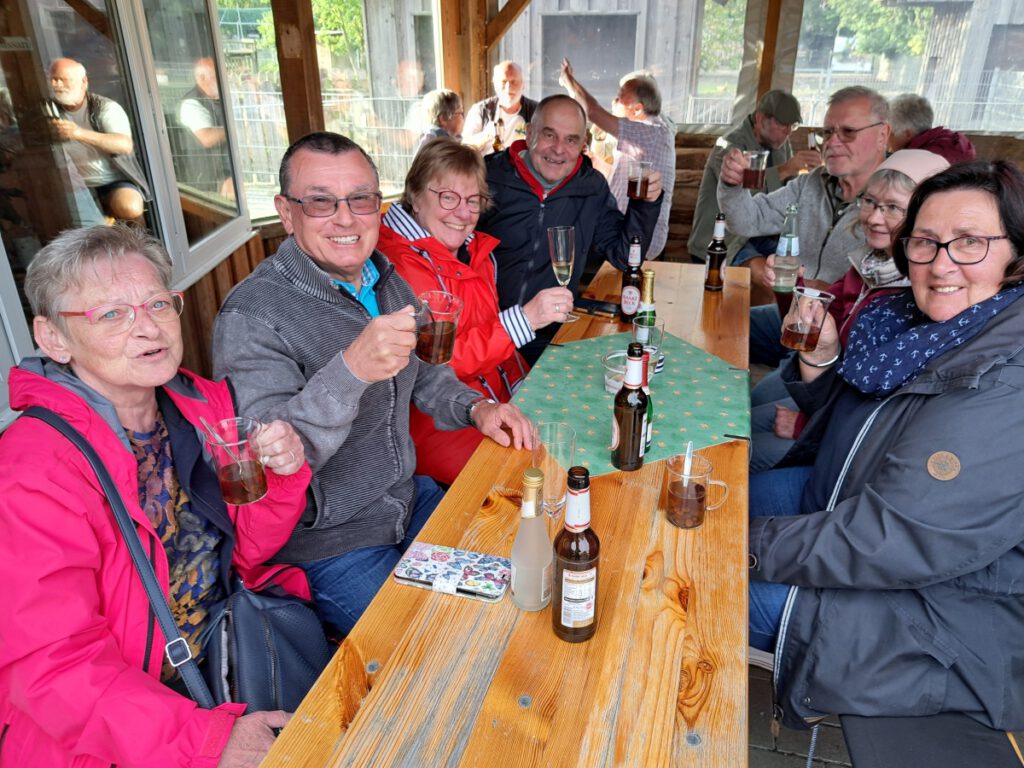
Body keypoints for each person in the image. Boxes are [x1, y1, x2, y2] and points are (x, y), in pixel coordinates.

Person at [0, 225, 312, 766]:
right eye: (111, 315)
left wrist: (280, 476)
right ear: (52, 338)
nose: (148, 328)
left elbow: (247, 554)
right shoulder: (33, 470)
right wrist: (202, 741)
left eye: (158, 304)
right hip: (112, 734)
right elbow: (51, 664)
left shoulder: (197, 408)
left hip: (222, 664)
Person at [212, 132, 534, 635]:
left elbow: (429, 371)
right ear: (286, 212)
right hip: (332, 542)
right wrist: (351, 370)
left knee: (526, 573)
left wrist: (477, 409)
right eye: (321, 201)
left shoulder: (384, 279)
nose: (346, 218)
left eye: (361, 198)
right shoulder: (254, 314)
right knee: (432, 646)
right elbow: (268, 464)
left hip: (408, 500)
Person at [749, 160, 1024, 734]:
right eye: (924, 242)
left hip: (936, 617)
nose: (941, 262)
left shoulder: (1006, 376)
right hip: (850, 513)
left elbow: (891, 540)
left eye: (970, 242)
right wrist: (822, 359)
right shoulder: (915, 323)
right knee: (715, 500)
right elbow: (854, 436)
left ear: (1016, 257)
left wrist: (736, 547)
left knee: (693, 577)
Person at [378, 139, 571, 484]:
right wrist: (524, 321)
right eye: (448, 197)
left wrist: (531, 389)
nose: (463, 214)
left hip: (496, 400)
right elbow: (437, 368)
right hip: (438, 425)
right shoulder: (400, 269)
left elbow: (496, 353)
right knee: (541, 475)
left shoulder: (474, 252)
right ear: (415, 195)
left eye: (473, 201)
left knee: (575, 432)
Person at [749, 149, 950, 471]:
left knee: (740, 451)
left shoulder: (923, 294)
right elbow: (815, 327)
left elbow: (878, 405)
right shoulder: (868, 265)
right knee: (747, 412)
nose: (872, 217)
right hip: (827, 392)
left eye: (892, 208)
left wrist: (804, 425)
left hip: (846, 440)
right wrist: (793, 288)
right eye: (869, 202)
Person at [476, 94, 663, 364]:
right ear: (529, 134)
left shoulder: (592, 187)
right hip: (488, 330)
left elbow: (624, 255)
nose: (559, 149)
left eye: (571, 140)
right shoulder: (487, 175)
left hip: (550, 337)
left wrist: (646, 205)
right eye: (549, 135)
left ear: (583, 145)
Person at [718, 86, 890, 365]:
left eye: (848, 132)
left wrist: (823, 290)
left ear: (883, 134)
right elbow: (747, 221)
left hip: (840, 344)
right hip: (795, 319)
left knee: (764, 406)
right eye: (827, 132)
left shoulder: (894, 203)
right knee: (720, 328)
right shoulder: (812, 183)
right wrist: (731, 185)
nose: (832, 142)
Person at [689, 90, 822, 286]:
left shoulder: (780, 144)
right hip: (725, 240)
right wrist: (786, 168)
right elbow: (744, 204)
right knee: (769, 280)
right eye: (782, 124)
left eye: (792, 126)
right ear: (760, 119)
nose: (788, 132)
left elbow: (787, 193)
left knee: (799, 270)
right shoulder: (729, 146)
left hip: (762, 235)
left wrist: (811, 176)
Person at [559, 60, 677, 259]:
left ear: (638, 109)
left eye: (620, 98)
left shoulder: (650, 132)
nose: (614, 103)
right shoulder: (648, 134)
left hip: (637, 236)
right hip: (626, 231)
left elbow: (593, 111)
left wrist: (569, 80)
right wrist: (595, 160)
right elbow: (620, 180)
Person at [46, 57, 150, 222]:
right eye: (53, 79)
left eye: (63, 79)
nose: (57, 85)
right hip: (73, 187)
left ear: (84, 82)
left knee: (130, 207)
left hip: (112, 181)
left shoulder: (106, 108)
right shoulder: (47, 110)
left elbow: (124, 145)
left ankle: (142, 245)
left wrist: (78, 133)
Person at [178, 57, 232, 196]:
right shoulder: (191, 103)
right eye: (218, 76)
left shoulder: (222, 98)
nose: (225, 79)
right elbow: (207, 138)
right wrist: (238, 128)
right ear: (202, 78)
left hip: (228, 171)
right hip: (211, 180)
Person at [462, 61, 538, 155]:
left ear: (523, 85)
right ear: (494, 84)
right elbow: (464, 146)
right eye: (503, 81)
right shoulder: (480, 110)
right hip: (488, 167)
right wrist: (486, 136)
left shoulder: (537, 111)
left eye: (513, 81)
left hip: (522, 168)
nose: (508, 87)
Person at [889, 93, 977, 165]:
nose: (886, 140)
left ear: (907, 134)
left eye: (890, 133)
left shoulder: (919, 162)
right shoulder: (951, 142)